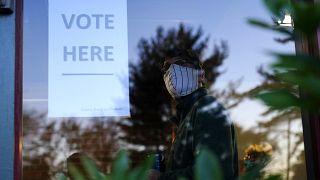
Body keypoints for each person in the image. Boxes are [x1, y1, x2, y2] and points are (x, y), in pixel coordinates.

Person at [149, 50, 238, 180]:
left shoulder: (207, 107)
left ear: (201, 75)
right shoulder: (185, 119)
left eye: (180, 63)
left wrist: (161, 178)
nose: (172, 71)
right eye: (166, 68)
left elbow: (213, 174)